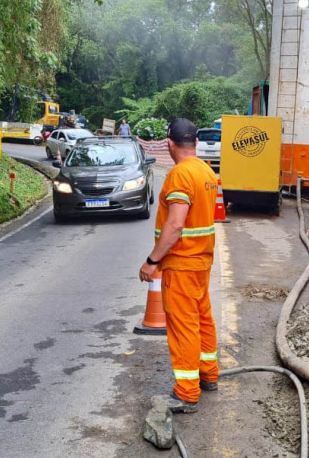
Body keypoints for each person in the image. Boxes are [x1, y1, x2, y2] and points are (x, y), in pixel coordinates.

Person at [139, 118, 219, 413]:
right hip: (201, 262)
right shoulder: (206, 171)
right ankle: (208, 375)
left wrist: (152, 261)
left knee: (184, 326)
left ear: (170, 143)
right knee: (203, 318)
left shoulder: (180, 175)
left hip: (182, 264)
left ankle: (187, 392)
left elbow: (175, 226)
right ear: (196, 142)